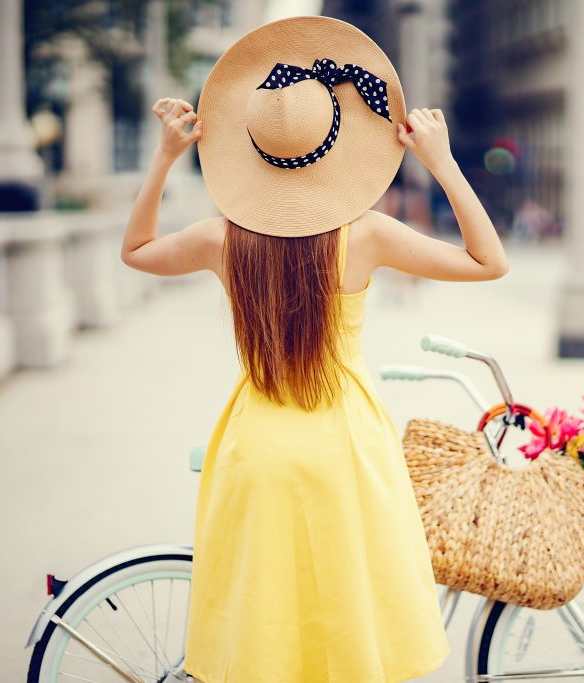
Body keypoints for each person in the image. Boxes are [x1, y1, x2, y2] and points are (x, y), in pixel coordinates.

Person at [119, 16, 508, 683]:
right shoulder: (369, 235)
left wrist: (163, 158)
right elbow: (488, 260)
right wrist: (440, 161)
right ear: (334, 149)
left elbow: (135, 250)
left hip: (256, 446)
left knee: (264, 624)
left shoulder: (221, 238)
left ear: (253, 149)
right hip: (343, 445)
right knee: (344, 618)